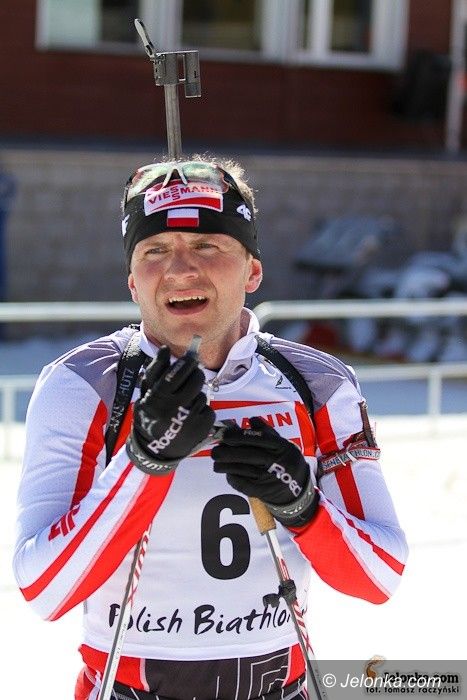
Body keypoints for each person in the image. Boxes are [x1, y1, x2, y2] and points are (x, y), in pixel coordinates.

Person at [13, 156, 408, 700]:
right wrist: (143, 463)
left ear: (252, 271)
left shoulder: (317, 384)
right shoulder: (83, 385)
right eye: (154, 250)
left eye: (206, 245)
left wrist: (302, 505)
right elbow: (44, 589)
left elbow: (379, 576)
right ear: (132, 281)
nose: (180, 270)